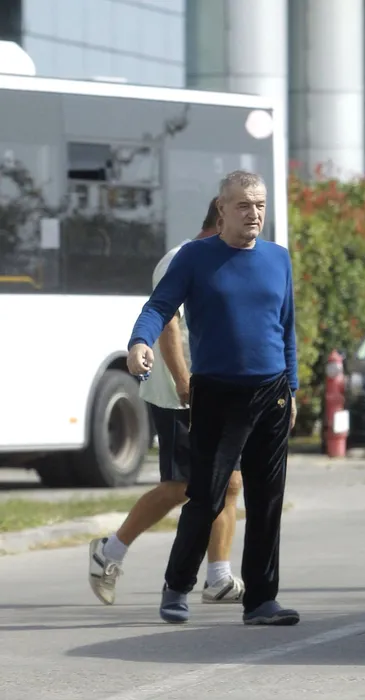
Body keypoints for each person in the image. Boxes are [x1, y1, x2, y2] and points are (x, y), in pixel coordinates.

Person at [127, 170, 300, 627]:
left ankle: (261, 600)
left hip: (272, 393)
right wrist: (139, 342)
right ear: (221, 210)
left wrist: (293, 389)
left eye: (260, 205)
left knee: (266, 501)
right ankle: (177, 586)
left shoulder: (278, 259)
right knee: (205, 496)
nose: (254, 214)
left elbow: (286, 328)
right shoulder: (195, 258)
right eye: (244, 205)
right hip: (217, 394)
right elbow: (158, 307)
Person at [89, 197, 244, 607]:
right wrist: (183, 381)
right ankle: (109, 551)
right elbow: (167, 323)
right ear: (220, 221)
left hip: (219, 389)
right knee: (180, 487)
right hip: (178, 393)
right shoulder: (180, 258)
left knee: (230, 483)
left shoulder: (227, 261)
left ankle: (218, 577)